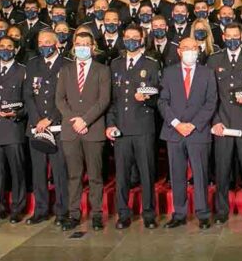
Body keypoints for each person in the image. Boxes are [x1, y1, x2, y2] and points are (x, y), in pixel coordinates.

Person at [106, 25, 162, 229]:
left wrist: (146, 99)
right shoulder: (115, 64)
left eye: (135, 37)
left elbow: (160, 98)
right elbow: (111, 100)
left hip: (144, 128)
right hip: (121, 128)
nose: (131, 41)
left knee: (147, 173)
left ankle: (149, 213)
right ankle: (123, 214)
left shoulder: (152, 64)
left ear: (142, 39)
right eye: (127, 37)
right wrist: (110, 124)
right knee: (121, 175)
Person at [54, 31, 111, 233]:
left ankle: (96, 214)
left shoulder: (102, 70)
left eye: (86, 44)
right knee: (74, 176)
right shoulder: (65, 70)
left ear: (93, 46)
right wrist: (74, 120)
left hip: (93, 129)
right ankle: (74, 214)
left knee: (95, 175)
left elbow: (104, 100)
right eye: (79, 44)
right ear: (73, 46)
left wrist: (85, 120)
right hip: (71, 130)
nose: (83, 47)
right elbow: (60, 100)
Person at [159, 37, 218, 229]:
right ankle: (179, 213)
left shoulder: (207, 73)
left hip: (198, 132)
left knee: (200, 175)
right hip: (174, 132)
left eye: (194, 48)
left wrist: (192, 125)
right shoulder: (168, 73)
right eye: (186, 48)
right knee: (177, 174)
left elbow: (211, 103)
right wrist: (177, 123)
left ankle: (202, 213)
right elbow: (163, 101)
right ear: (179, 51)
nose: (190, 51)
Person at [208, 24, 242, 224]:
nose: (232, 39)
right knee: (222, 170)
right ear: (223, 36)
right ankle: (221, 211)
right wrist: (215, 121)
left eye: (236, 36)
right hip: (222, 122)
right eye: (228, 36)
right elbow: (210, 94)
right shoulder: (214, 59)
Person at [0, 37, 32, 224]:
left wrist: (17, 114)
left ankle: (18, 208)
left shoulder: (23, 71)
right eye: (2, 46)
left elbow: (29, 103)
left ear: (16, 49)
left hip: (13, 130)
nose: (5, 49)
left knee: (17, 172)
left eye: (9, 47)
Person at [25, 30, 70, 225]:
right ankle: (41, 209)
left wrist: (50, 119)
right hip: (36, 128)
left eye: (48, 42)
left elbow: (68, 97)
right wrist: (37, 121)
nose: (44, 45)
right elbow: (28, 95)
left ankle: (62, 211)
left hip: (58, 127)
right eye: (40, 42)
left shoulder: (67, 64)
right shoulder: (32, 64)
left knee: (60, 172)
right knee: (38, 171)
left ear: (57, 43)